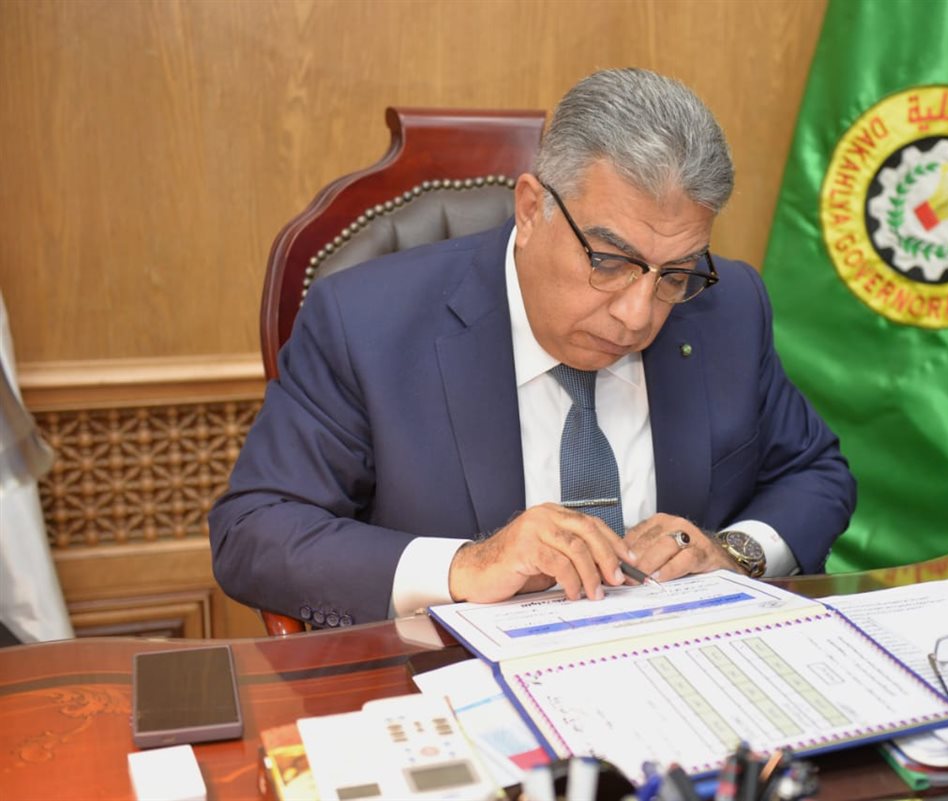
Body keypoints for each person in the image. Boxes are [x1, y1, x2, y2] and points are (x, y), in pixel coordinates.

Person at [209, 68, 856, 627]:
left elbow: (816, 472)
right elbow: (254, 529)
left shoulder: (727, 307)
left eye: (676, 273)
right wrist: (467, 565)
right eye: (609, 260)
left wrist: (735, 551)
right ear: (529, 209)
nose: (637, 315)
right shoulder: (366, 323)